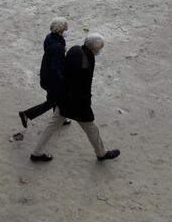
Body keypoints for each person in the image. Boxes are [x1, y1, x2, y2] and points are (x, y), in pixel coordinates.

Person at [29, 33, 120, 162]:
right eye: (99, 49)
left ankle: (36, 152)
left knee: (51, 126)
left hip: (63, 98)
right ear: (93, 49)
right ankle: (101, 154)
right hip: (77, 103)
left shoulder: (75, 49)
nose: (99, 51)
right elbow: (81, 87)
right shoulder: (85, 63)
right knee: (91, 128)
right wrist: (86, 104)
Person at [19, 18, 72, 129]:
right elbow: (55, 68)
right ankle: (27, 114)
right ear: (60, 30)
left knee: (55, 99)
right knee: (53, 101)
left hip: (46, 74)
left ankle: (60, 119)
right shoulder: (57, 47)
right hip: (52, 80)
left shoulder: (50, 37)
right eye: (66, 29)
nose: (67, 30)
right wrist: (63, 80)